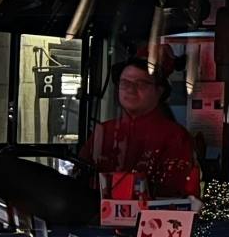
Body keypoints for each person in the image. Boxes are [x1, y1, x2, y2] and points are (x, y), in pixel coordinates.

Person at [83, 55, 200, 198]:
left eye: (141, 84)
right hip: (96, 217)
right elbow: (81, 177)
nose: (130, 90)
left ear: (160, 91)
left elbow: (178, 193)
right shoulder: (104, 130)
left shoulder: (175, 136)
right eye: (125, 83)